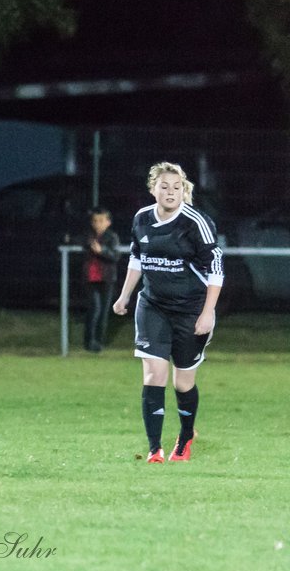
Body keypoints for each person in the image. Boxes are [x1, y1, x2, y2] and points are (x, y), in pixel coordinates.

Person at [112, 162, 222, 463]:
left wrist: (207, 313)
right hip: (153, 306)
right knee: (153, 374)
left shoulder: (195, 222)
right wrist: (124, 296)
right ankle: (154, 449)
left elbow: (216, 269)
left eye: (176, 187)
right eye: (164, 186)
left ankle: (185, 438)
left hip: (191, 310)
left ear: (183, 190)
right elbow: (137, 257)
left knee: (183, 382)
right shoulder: (142, 219)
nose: (170, 192)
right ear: (153, 189)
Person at [83, 207, 121, 352]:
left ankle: (99, 342)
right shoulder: (89, 237)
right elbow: (80, 242)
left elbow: (115, 255)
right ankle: (89, 342)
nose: (97, 224)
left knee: (104, 311)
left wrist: (102, 251)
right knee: (95, 309)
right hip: (91, 279)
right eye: (95, 221)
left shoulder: (112, 237)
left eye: (101, 221)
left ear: (108, 222)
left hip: (106, 279)